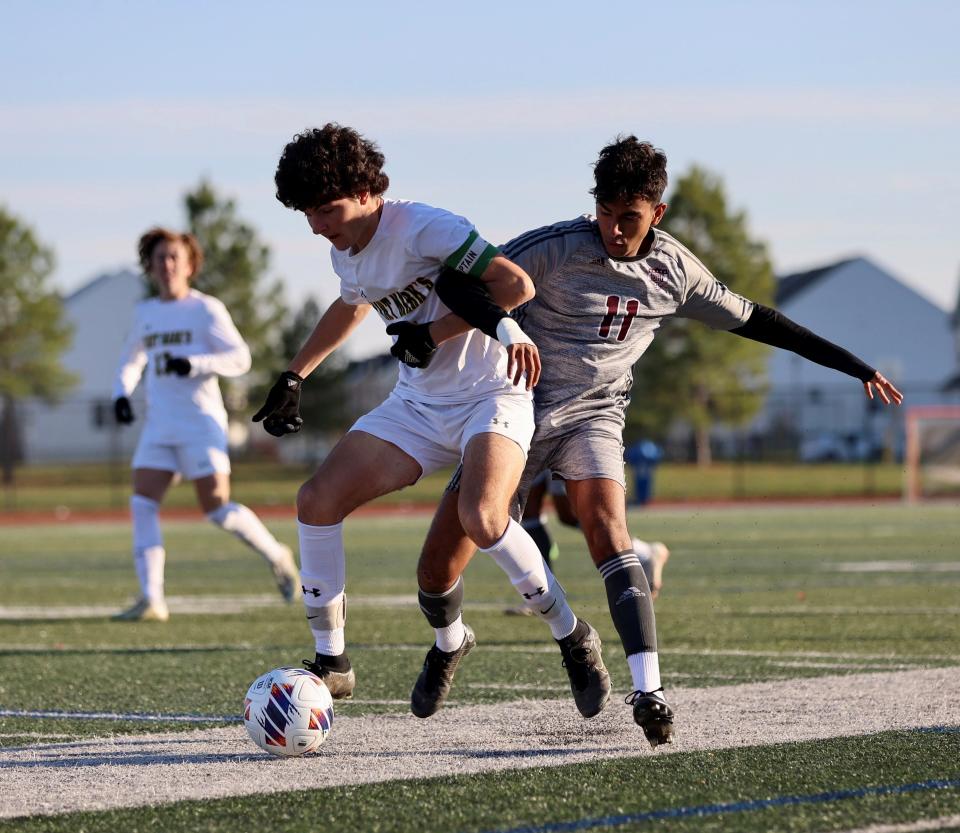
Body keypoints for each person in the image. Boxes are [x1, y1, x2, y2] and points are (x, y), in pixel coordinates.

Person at [396, 135, 903, 748]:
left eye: (629, 218)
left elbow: (760, 320)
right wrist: (452, 331)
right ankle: (450, 640)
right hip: (512, 411)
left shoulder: (677, 271)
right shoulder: (555, 248)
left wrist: (855, 366)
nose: (614, 229)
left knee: (607, 526)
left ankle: (649, 688)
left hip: (595, 417)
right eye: (606, 214)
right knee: (435, 567)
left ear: (656, 213)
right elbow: (460, 280)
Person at [252, 124, 610, 719]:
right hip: (418, 403)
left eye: (327, 209)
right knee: (316, 499)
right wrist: (296, 375)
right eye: (307, 214)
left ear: (370, 190)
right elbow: (352, 302)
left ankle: (573, 635)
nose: (318, 225)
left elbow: (513, 285)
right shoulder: (345, 244)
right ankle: (332, 661)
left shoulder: (425, 226)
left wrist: (434, 332)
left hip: (493, 393)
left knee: (484, 517)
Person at [112, 227, 300, 622]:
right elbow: (132, 358)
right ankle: (153, 600)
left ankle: (276, 554)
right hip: (160, 426)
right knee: (142, 503)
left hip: (201, 423)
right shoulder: (145, 312)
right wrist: (120, 393)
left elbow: (240, 358)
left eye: (174, 257)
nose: (166, 265)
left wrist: (196, 363)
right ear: (149, 267)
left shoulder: (205, 309)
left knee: (215, 507)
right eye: (159, 258)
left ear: (190, 264)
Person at [506, 469, 669, 616]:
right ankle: (541, 594)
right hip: (534, 442)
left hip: (557, 441)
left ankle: (644, 552)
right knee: (529, 510)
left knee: (571, 514)